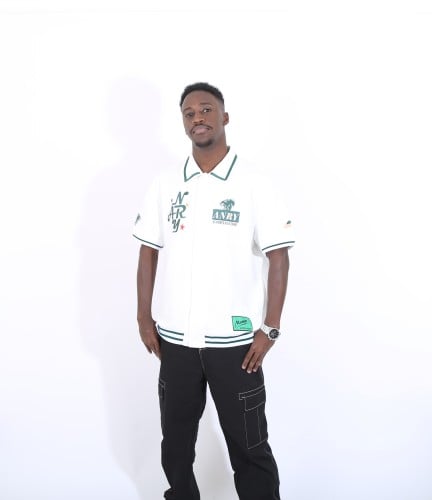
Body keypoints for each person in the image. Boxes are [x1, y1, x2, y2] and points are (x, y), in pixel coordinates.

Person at [133, 82, 295, 500]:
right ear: (183, 123)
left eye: (206, 110)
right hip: (175, 343)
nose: (198, 118)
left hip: (236, 346)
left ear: (224, 117)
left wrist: (270, 328)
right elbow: (148, 251)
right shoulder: (166, 183)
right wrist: (144, 318)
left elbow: (279, 257)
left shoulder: (254, 183)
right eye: (189, 113)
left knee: (250, 448)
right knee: (175, 446)